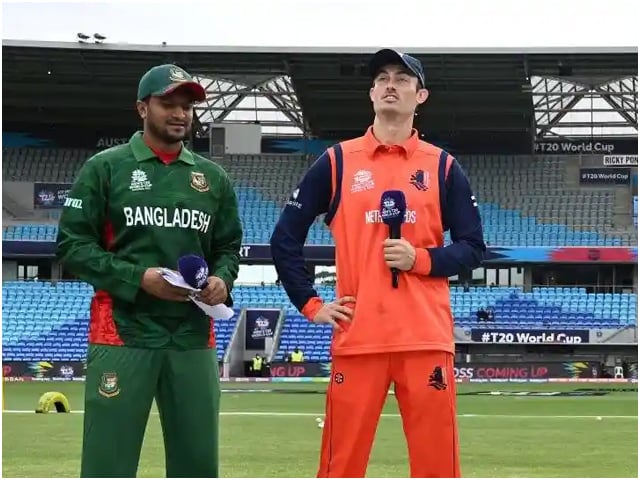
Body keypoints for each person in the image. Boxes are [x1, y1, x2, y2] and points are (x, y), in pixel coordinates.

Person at [270, 49, 485, 478]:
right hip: (359, 339)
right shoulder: (336, 161)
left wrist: (420, 258)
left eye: (403, 79)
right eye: (383, 77)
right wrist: (312, 305)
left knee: (437, 467)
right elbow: (284, 239)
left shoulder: (443, 166)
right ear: (371, 93)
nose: (391, 84)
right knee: (340, 467)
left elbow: (473, 248)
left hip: (425, 339)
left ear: (420, 95)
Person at [56, 63, 243, 478]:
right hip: (123, 333)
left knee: (197, 463)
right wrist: (138, 279)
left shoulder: (212, 179)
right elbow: (71, 245)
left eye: (188, 107)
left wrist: (221, 280)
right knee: (109, 463)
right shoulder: (105, 168)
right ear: (142, 108)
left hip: (192, 337)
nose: (180, 114)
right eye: (168, 104)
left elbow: (228, 247)